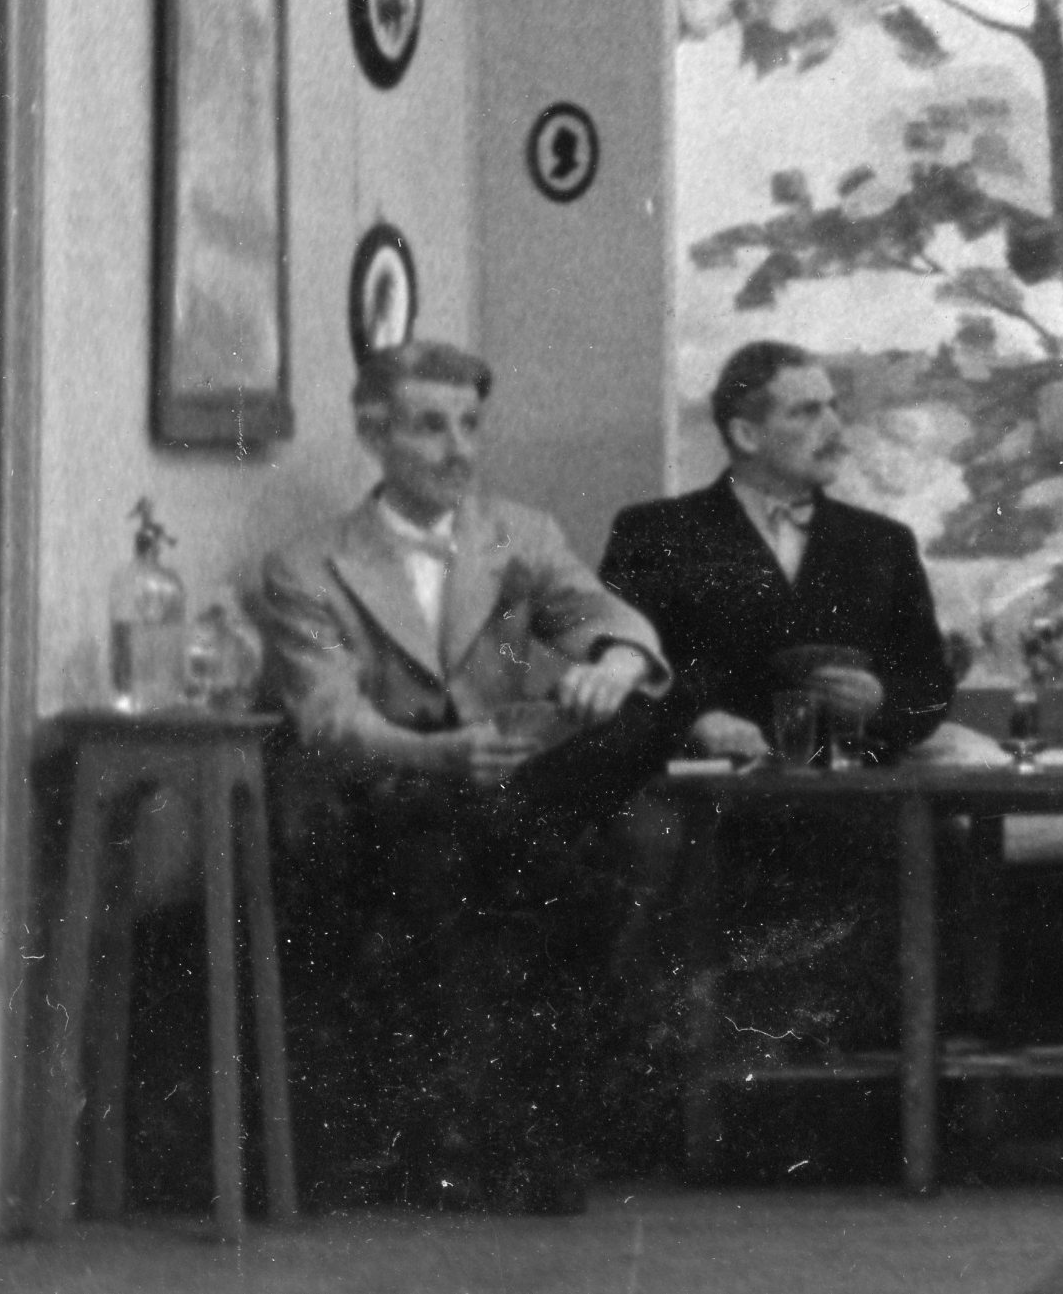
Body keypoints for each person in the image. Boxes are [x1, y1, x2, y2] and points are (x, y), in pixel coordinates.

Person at [249, 340, 682, 1213]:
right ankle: (497, 1142)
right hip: (392, 794)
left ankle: (531, 1135)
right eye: (430, 426)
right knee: (535, 866)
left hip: (508, 791)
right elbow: (331, 719)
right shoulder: (308, 565)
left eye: (470, 425)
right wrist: (439, 755)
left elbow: (600, 612)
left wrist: (615, 661)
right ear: (373, 433)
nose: (459, 450)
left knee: (627, 747)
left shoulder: (517, 534)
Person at [600, 340, 953, 766]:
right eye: (806, 412)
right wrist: (693, 721)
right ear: (746, 435)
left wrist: (880, 700)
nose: (835, 427)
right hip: (707, 793)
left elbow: (931, 689)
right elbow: (612, 668)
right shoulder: (654, 533)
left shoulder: (884, 543)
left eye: (833, 407)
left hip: (854, 796)